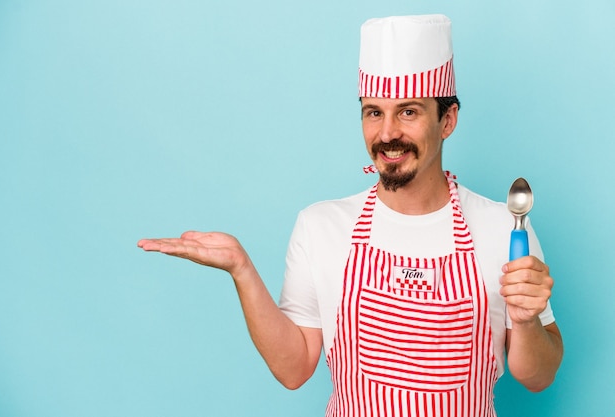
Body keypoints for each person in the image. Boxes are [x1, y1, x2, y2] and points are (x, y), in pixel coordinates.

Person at [138, 14, 563, 416]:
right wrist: (242, 269)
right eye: (374, 112)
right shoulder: (321, 226)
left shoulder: (504, 228)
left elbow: (538, 376)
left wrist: (524, 322)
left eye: (409, 111)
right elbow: (294, 367)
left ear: (447, 119)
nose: (387, 132)